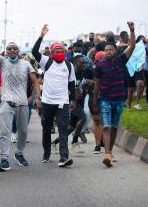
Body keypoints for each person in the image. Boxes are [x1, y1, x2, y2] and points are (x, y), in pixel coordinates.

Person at [0, 26, 41, 172]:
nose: (11, 51)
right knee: (5, 133)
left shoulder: (26, 64)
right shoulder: (2, 62)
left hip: (23, 103)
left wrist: (37, 98)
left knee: (23, 132)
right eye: (9, 49)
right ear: (6, 51)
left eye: (14, 49)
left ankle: (19, 154)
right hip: (7, 103)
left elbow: (35, 81)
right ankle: (4, 159)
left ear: (18, 51)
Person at [32, 24, 76, 167]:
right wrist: (41, 36)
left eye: (61, 50)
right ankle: (47, 152)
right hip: (47, 102)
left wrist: (73, 100)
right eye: (56, 50)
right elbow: (34, 51)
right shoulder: (47, 62)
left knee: (63, 129)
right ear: (51, 53)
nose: (59, 52)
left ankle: (64, 157)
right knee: (46, 128)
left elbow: (71, 84)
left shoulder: (69, 66)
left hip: (62, 103)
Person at [93, 22, 136, 168]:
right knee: (106, 127)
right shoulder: (99, 66)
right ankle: (106, 154)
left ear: (116, 51)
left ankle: (110, 152)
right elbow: (97, 86)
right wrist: (94, 103)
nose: (108, 52)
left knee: (114, 126)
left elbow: (133, 46)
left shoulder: (121, 60)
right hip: (105, 100)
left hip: (119, 100)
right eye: (106, 50)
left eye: (111, 49)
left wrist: (132, 30)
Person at [50, 55, 92, 154]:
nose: (83, 65)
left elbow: (87, 83)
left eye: (84, 63)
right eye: (81, 63)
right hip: (71, 102)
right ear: (75, 63)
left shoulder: (83, 73)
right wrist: (70, 96)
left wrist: (90, 83)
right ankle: (74, 142)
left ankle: (54, 143)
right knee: (83, 117)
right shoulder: (70, 73)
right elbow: (62, 87)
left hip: (80, 102)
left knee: (71, 127)